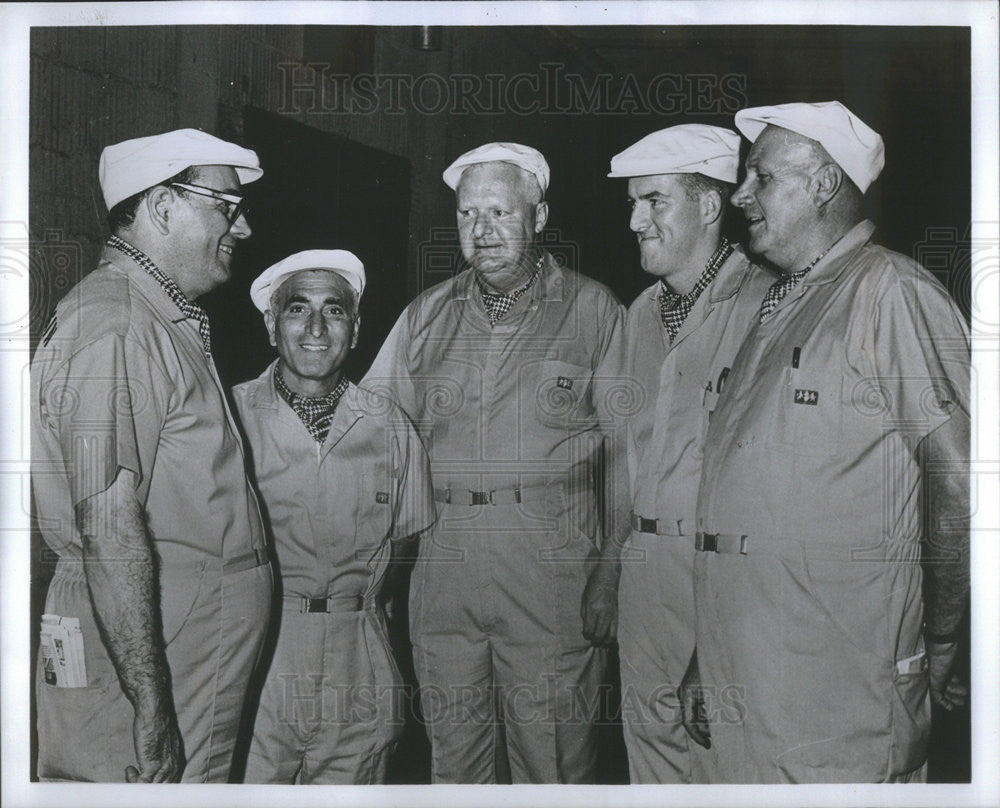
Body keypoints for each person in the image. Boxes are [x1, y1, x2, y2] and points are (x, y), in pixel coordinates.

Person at [680, 101, 970, 783]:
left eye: (761, 177)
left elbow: (961, 477)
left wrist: (944, 638)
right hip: (748, 682)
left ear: (823, 184)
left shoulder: (890, 292)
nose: (741, 196)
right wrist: (708, 655)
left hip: (840, 693)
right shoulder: (779, 304)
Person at [364, 142, 627, 783]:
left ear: (538, 218)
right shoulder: (424, 318)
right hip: (443, 562)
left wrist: (613, 569)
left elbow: (629, 452)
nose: (481, 232)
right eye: (466, 214)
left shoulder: (594, 311)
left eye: (500, 213)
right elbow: (373, 441)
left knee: (553, 759)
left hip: (551, 567)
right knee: (455, 762)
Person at [31, 128, 272, 782]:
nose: (242, 227)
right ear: (163, 206)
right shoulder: (117, 326)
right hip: (150, 646)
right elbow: (107, 523)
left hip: (168, 637)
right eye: (226, 205)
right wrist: (153, 704)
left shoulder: (149, 317)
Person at [582, 124, 773, 784]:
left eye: (654, 201)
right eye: (633, 203)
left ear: (710, 205)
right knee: (653, 763)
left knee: (724, 764)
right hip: (646, 576)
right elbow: (620, 451)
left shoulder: (766, 305)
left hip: (726, 573)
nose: (635, 220)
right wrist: (610, 567)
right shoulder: (638, 315)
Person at [232, 250, 435, 784]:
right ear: (272, 326)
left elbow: (408, 545)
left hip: (359, 661)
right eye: (298, 309)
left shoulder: (391, 427)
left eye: (335, 310)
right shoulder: (226, 418)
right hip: (258, 658)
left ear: (357, 327)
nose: (316, 328)